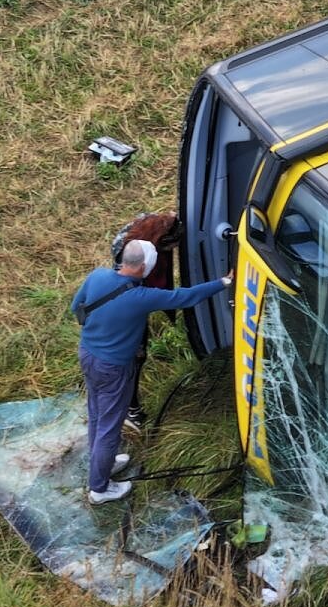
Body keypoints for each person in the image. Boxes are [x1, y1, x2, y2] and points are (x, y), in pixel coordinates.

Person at [72, 239, 233, 504]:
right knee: (110, 426)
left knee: (97, 413)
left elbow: (75, 308)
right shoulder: (140, 297)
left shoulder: (97, 276)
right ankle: (99, 489)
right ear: (144, 266)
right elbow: (184, 297)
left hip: (88, 354)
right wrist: (223, 282)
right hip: (113, 366)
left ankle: (104, 463)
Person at [108, 212, 181, 431]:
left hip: (130, 304)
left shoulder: (151, 227)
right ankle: (130, 411)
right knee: (134, 359)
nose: (173, 252)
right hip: (126, 315)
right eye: (171, 247)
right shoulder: (128, 253)